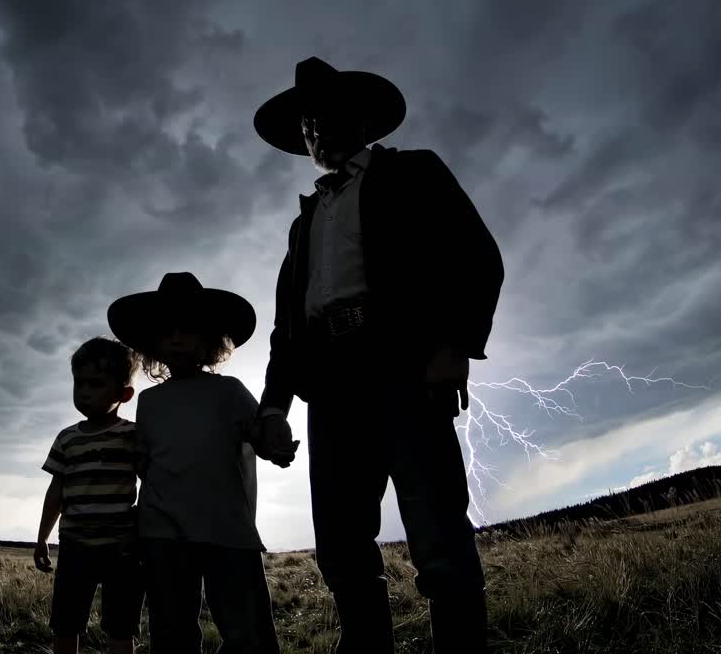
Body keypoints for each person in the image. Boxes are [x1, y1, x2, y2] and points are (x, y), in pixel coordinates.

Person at [248, 56, 505, 654]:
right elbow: (289, 324)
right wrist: (273, 406)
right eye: (307, 124)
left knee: (437, 530)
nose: (315, 132)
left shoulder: (414, 172)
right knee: (340, 541)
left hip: (405, 369)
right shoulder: (304, 221)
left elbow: (477, 256)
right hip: (331, 385)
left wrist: (454, 346)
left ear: (363, 119)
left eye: (328, 117)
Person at [107, 272, 281, 654]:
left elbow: (263, 438)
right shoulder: (150, 403)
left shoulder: (231, 392)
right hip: (163, 533)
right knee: (171, 633)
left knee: (247, 633)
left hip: (228, 531)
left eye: (188, 329)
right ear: (154, 345)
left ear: (211, 342)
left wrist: (276, 442)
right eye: (167, 331)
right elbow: (144, 464)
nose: (176, 337)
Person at [36, 336, 146, 654]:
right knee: (66, 624)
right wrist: (42, 537)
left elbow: (151, 480)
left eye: (95, 384)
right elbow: (56, 491)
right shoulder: (67, 439)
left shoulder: (133, 435)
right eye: (79, 383)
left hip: (122, 550)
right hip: (74, 546)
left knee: (121, 627)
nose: (84, 391)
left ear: (124, 393)